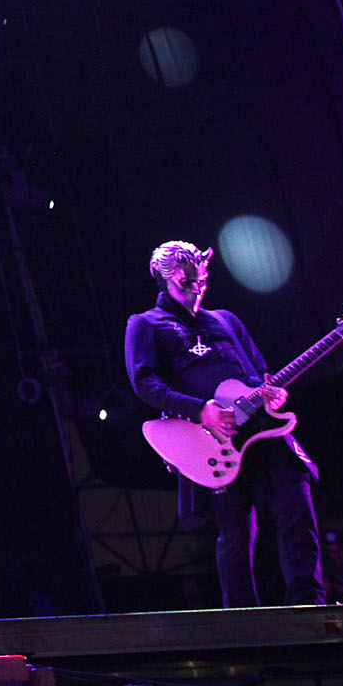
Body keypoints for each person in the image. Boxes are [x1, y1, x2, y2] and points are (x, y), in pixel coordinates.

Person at [125, 241, 323, 606]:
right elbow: (145, 384)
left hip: (262, 428)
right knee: (236, 533)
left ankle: (309, 604)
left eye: (200, 277)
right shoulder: (146, 324)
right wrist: (201, 410)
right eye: (184, 279)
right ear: (163, 277)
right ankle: (244, 619)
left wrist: (271, 393)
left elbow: (259, 372)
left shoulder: (225, 319)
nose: (195, 285)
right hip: (209, 439)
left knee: (297, 504)